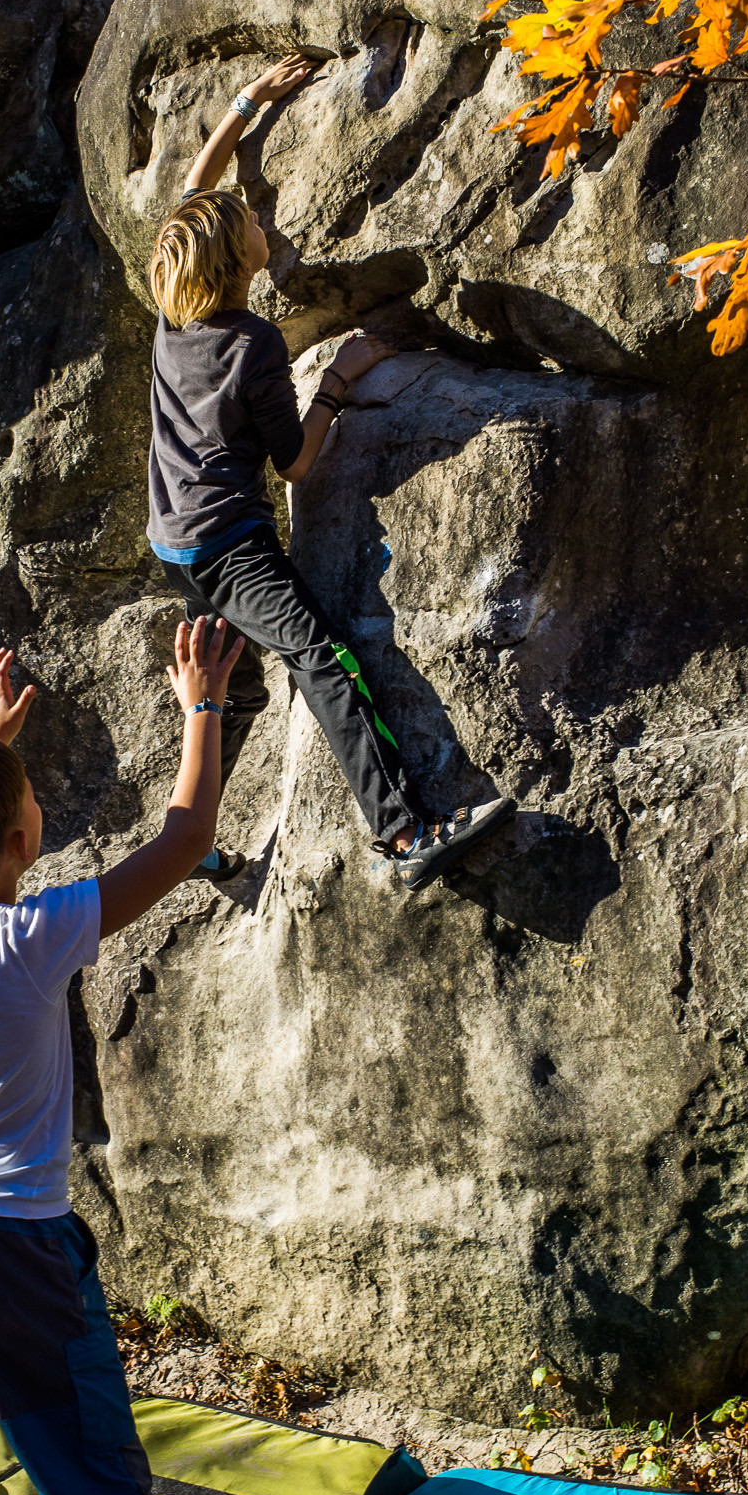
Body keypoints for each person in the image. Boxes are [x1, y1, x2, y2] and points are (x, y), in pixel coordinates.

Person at [0, 628, 244, 1495]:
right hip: (9, 1246)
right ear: (26, 840)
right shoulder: (25, 943)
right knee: (86, 1454)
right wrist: (202, 703)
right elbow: (186, 840)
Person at [148, 53, 514, 892]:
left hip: (174, 542)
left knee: (228, 693)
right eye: (248, 222)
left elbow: (194, 196)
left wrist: (247, 107)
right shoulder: (251, 346)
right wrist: (341, 380)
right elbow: (301, 465)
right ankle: (402, 834)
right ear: (236, 262)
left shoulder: (173, 319)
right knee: (325, 656)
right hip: (226, 545)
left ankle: (189, 845)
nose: (258, 217)